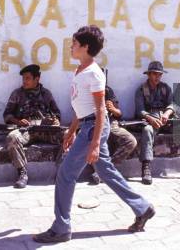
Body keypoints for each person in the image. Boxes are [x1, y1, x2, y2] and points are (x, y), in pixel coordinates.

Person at [33, 25, 155, 243]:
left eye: (75, 44)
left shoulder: (94, 74)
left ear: (86, 47)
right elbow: (83, 107)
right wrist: (71, 130)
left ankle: (61, 228)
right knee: (106, 172)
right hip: (87, 126)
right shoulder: (80, 70)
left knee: (65, 174)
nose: (71, 46)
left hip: (93, 129)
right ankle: (142, 207)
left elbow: (100, 111)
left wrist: (95, 143)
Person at [3, 64, 62, 189]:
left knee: (68, 135)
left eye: (28, 78)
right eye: (23, 78)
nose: (24, 81)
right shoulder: (17, 94)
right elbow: (6, 115)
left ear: (37, 79)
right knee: (12, 138)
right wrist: (18, 121)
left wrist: (55, 121)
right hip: (27, 131)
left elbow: (57, 113)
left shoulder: (46, 94)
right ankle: (22, 173)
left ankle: (63, 171)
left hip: (46, 130)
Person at [85, 84, 138, 184]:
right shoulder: (83, 91)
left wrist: (112, 109)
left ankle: (106, 170)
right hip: (92, 123)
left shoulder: (107, 90)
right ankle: (100, 171)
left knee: (131, 141)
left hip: (110, 123)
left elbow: (119, 113)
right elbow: (78, 114)